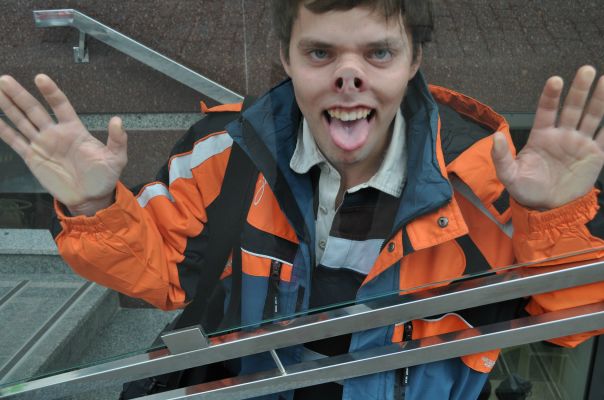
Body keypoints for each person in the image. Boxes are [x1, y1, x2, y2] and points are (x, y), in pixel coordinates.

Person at [1, 0, 603, 398]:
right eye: (320, 53)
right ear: (286, 57)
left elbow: (568, 328)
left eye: (378, 53)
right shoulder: (227, 152)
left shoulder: (486, 179)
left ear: (414, 60)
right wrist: (94, 206)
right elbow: (163, 277)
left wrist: (554, 217)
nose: (349, 76)